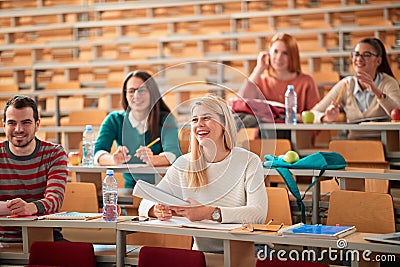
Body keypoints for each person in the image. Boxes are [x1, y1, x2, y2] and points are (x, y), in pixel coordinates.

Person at [138, 94, 267, 252]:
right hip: (201, 255)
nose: (199, 124)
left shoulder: (249, 161)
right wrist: (155, 210)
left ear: (224, 124)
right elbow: (146, 202)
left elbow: (258, 214)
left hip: (244, 253)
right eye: (194, 120)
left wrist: (209, 213)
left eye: (206, 118)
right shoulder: (183, 164)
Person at [94, 70, 182, 188]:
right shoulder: (114, 120)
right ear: (125, 95)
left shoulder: (166, 120)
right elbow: (98, 152)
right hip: (130, 189)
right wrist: (113, 159)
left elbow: (174, 154)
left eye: (141, 90)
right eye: (131, 91)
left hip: (161, 187)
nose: (136, 95)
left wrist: (153, 160)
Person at [0, 95, 68, 242]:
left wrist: (31, 207)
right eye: (12, 123)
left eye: (26, 122)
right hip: (2, 239)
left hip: (44, 237)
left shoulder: (55, 153)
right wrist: (14, 208)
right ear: (4, 124)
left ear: (37, 124)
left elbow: (55, 200)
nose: (18, 129)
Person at [312, 37, 400, 139]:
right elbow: (313, 113)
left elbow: (398, 113)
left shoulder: (388, 83)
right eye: (356, 54)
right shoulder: (346, 84)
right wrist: (326, 118)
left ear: (378, 61)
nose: (359, 59)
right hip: (354, 145)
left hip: (384, 147)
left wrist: (377, 92)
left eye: (366, 55)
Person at [239, 32, 320, 126]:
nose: (279, 57)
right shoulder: (261, 80)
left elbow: (315, 117)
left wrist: (294, 117)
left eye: (285, 53)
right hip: (266, 136)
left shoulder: (306, 81)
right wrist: (258, 69)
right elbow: (242, 103)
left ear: (293, 56)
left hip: (296, 134)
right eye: (275, 51)